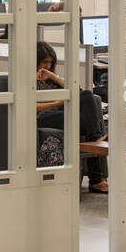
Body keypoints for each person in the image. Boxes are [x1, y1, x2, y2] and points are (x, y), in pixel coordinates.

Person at [35, 40, 108, 192]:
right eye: (44, 62)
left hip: (59, 114)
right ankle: (97, 178)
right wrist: (57, 103)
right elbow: (30, 107)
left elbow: (78, 90)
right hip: (42, 117)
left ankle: (95, 139)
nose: (47, 65)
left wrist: (53, 76)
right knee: (94, 123)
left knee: (88, 95)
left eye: (50, 62)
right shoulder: (26, 79)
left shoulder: (50, 78)